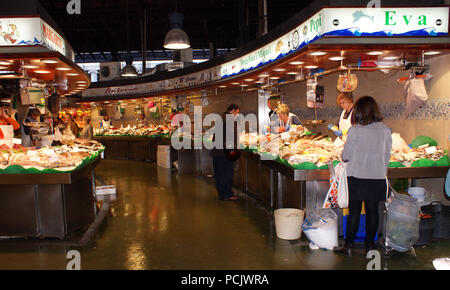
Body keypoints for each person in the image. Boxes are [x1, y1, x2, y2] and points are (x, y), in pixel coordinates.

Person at [334, 96, 392, 257]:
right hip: (378, 177)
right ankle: (370, 247)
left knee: (354, 212)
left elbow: (346, 156)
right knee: (373, 211)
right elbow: (387, 156)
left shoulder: (355, 130)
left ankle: (349, 247)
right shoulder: (386, 130)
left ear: (359, 112)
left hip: (357, 177)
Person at [211, 104, 241, 201]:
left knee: (219, 173)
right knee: (226, 173)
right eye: (237, 113)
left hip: (217, 151)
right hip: (224, 152)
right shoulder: (229, 120)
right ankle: (227, 194)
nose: (237, 115)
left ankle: (221, 194)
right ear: (232, 111)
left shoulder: (221, 118)